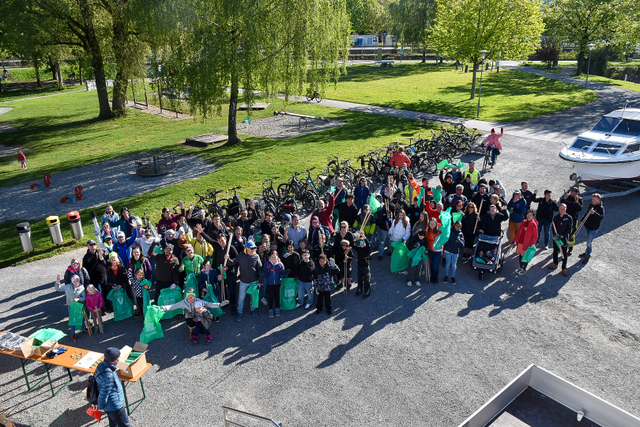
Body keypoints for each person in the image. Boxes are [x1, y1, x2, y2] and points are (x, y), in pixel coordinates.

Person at [160, 289, 228, 345]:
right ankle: (191, 331)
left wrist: (219, 305)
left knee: (202, 331)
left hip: (198, 317)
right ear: (186, 297)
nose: (191, 299)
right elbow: (173, 306)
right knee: (191, 323)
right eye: (189, 297)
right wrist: (162, 308)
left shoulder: (198, 301)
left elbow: (208, 304)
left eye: (192, 297)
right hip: (189, 317)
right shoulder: (183, 303)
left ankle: (199, 331)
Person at [224, 240, 262, 321]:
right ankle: (239, 312)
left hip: (253, 281)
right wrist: (227, 259)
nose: (253, 250)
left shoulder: (256, 256)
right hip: (243, 281)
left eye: (254, 248)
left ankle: (253, 310)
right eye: (251, 248)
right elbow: (232, 263)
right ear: (247, 248)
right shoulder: (241, 256)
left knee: (253, 297)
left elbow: (259, 269)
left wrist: (260, 281)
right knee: (241, 298)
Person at [94, 347, 131, 427]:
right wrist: (100, 406)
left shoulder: (101, 365)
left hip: (110, 407)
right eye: (119, 357)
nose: (120, 358)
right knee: (125, 425)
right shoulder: (108, 376)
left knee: (113, 423)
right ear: (115, 360)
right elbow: (104, 394)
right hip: (114, 406)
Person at [55, 273, 87, 342]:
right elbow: (58, 288)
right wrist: (58, 282)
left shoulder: (82, 287)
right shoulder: (68, 287)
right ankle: (73, 334)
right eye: (74, 281)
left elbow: (84, 297)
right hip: (71, 305)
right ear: (72, 282)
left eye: (77, 281)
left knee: (81, 317)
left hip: (78, 305)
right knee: (72, 319)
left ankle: (84, 328)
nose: (76, 283)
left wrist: (78, 299)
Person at [578, 193, 604, 264]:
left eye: (594, 199)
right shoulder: (591, 205)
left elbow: (601, 217)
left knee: (589, 242)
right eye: (592, 199)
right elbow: (587, 213)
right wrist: (582, 220)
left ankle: (588, 255)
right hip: (588, 226)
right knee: (588, 240)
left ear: (598, 200)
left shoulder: (600, 208)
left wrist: (595, 213)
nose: (592, 200)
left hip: (593, 228)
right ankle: (587, 252)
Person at [550, 203, 573, 276]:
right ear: (559, 209)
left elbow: (569, 229)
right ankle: (555, 263)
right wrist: (555, 235)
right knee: (555, 251)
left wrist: (562, 236)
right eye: (560, 209)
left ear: (566, 209)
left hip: (563, 238)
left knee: (564, 254)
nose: (562, 210)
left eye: (563, 209)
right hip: (556, 238)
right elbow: (553, 227)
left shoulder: (569, 218)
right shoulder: (556, 217)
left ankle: (564, 268)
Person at [559, 187, 583, 255]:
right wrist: (564, 199)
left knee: (571, 234)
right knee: (562, 232)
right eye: (572, 192)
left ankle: (570, 247)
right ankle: (561, 247)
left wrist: (577, 202)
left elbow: (579, 209)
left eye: (574, 193)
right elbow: (561, 205)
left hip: (573, 220)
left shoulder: (579, 199)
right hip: (565, 218)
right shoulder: (568, 197)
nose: (572, 194)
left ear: (577, 193)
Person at [262, 251, 285, 317]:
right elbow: (265, 273)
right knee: (271, 296)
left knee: (277, 296)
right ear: (270, 257)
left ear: (277, 257)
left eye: (275, 257)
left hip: (278, 283)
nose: (273, 258)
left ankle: (277, 308)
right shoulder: (267, 264)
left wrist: (285, 274)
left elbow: (283, 272)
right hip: (270, 283)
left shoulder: (280, 264)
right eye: (272, 257)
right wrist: (261, 274)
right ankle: (270, 309)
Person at [353, 232, 371, 297]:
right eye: (361, 243)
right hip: (359, 267)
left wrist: (364, 237)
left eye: (363, 243)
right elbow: (352, 245)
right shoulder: (359, 249)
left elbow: (368, 245)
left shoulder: (367, 250)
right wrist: (356, 239)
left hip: (365, 267)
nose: (362, 244)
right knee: (359, 279)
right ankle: (359, 290)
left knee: (366, 280)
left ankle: (367, 291)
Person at [426, 218, 442, 284]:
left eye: (433, 223)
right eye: (430, 223)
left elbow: (443, 238)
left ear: (436, 224)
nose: (432, 225)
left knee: (435, 265)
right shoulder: (427, 231)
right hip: (430, 249)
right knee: (432, 264)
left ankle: (436, 277)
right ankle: (432, 277)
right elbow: (427, 240)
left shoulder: (439, 231)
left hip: (438, 250)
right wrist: (426, 249)